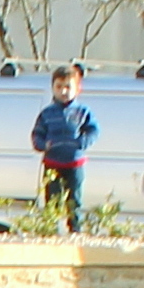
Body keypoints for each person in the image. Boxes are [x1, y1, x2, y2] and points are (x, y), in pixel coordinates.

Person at [33, 64, 99, 227]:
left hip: (74, 164)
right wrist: (43, 145)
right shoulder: (47, 113)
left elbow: (94, 130)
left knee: (74, 200)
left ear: (77, 89)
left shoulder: (82, 111)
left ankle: (75, 229)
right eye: (59, 87)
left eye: (68, 87)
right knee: (52, 200)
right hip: (52, 163)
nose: (63, 91)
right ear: (53, 88)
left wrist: (82, 142)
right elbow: (37, 134)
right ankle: (51, 229)